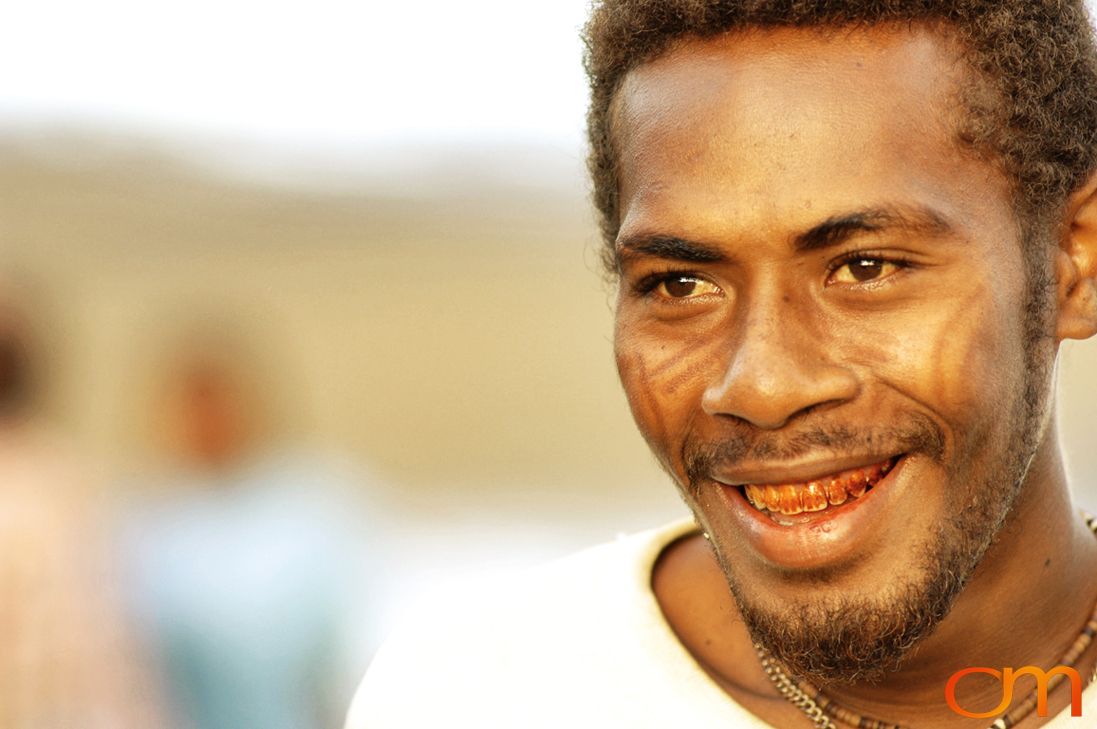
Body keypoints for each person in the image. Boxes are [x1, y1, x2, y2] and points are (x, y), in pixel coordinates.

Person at [346, 1, 1097, 726]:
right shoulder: (477, 695)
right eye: (681, 285)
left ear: (1076, 262)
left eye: (865, 267)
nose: (760, 385)